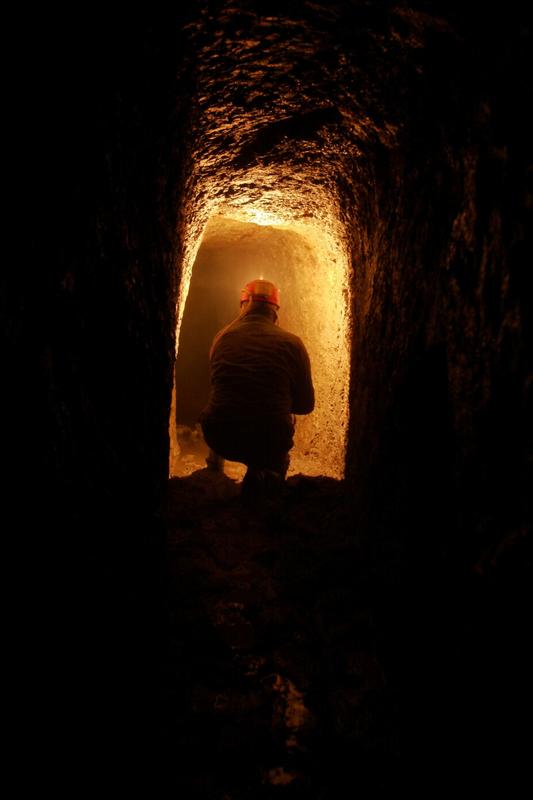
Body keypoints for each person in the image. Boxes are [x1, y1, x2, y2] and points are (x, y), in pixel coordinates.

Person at [200, 278, 315, 497]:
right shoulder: (292, 343)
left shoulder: (221, 338)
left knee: (221, 404)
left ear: (243, 306)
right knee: (279, 421)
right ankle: (267, 475)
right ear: (275, 310)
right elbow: (306, 405)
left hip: (221, 436)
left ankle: (214, 472)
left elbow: (218, 386)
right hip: (269, 440)